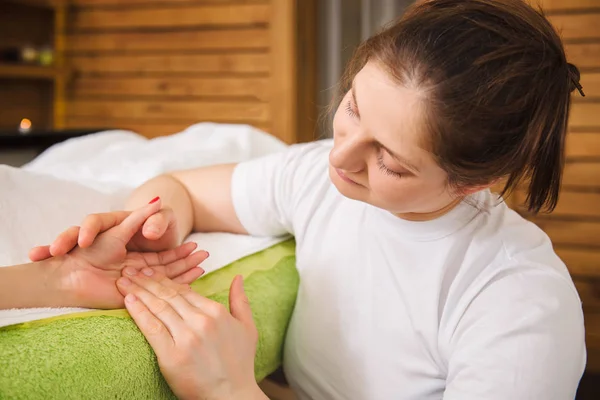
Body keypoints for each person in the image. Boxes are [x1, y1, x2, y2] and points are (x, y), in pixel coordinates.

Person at [5, 0, 589, 398]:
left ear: (472, 183)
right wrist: (146, 226)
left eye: (388, 160)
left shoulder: (517, 299)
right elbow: (183, 190)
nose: (340, 157)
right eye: (353, 107)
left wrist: (230, 389)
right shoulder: (317, 175)